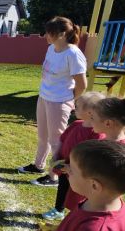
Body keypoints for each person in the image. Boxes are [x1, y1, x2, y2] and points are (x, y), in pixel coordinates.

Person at [18, 17, 87, 187]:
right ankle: (38, 165)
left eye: (50, 33)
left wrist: (70, 100)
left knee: (56, 141)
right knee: (43, 136)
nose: (45, 36)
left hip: (59, 101)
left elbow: (82, 84)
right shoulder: (51, 49)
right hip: (44, 97)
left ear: (62, 34)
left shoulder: (73, 54)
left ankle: (53, 176)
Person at [63, 92, 125, 211]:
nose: (90, 121)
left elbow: (109, 183)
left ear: (108, 123)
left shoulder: (119, 152)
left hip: (96, 205)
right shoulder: (104, 142)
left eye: (93, 118)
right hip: (88, 196)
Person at [41, 91, 105, 220]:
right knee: (63, 187)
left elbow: (92, 154)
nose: (74, 109)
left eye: (77, 107)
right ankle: (58, 209)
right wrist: (56, 155)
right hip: (64, 165)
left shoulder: (97, 133)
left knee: (78, 193)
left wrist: (76, 168)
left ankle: (79, 214)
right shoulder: (76, 124)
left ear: (90, 113)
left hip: (80, 170)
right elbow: (62, 139)